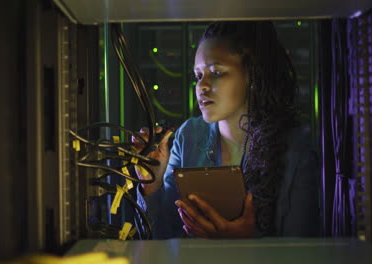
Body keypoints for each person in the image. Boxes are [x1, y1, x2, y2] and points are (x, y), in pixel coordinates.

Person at [133, 21, 320, 239]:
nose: (202, 86)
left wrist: (248, 245)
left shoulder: (295, 148)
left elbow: (304, 248)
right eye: (198, 75)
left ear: (252, 74)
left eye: (216, 72)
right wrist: (152, 184)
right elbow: (163, 238)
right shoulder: (189, 136)